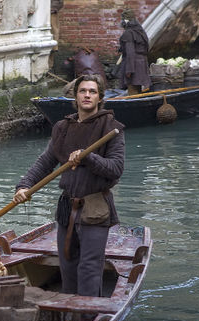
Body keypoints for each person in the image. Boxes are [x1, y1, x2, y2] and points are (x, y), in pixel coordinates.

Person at [13, 75, 124, 297]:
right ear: (75, 96)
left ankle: (88, 314)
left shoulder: (112, 128)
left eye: (92, 92)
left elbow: (116, 168)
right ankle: (69, 312)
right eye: (83, 91)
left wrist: (88, 157)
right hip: (67, 207)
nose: (87, 95)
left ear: (100, 97)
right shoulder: (62, 128)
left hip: (95, 207)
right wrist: (24, 186)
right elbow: (45, 162)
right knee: (67, 264)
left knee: (89, 267)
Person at [117, 9, 151, 95]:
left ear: (124, 21)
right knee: (138, 90)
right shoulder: (140, 31)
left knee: (133, 91)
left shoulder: (128, 33)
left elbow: (130, 53)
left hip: (133, 66)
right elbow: (146, 48)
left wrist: (129, 70)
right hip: (141, 64)